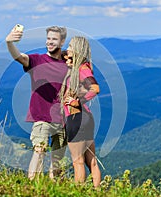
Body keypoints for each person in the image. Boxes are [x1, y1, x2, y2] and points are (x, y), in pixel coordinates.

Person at [6, 25, 68, 180]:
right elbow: (19, 57)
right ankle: (31, 188)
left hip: (63, 119)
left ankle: (56, 190)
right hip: (42, 117)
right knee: (39, 151)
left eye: (54, 39)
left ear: (62, 42)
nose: (50, 42)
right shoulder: (37, 60)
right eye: (48, 39)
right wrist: (9, 43)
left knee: (58, 162)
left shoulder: (68, 64)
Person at [59, 36, 101, 187]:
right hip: (86, 117)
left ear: (77, 49)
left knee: (78, 161)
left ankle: (78, 192)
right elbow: (61, 54)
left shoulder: (82, 69)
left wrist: (78, 101)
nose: (68, 49)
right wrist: (68, 56)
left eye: (70, 46)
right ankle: (98, 191)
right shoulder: (83, 66)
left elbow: (95, 88)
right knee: (92, 161)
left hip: (75, 117)